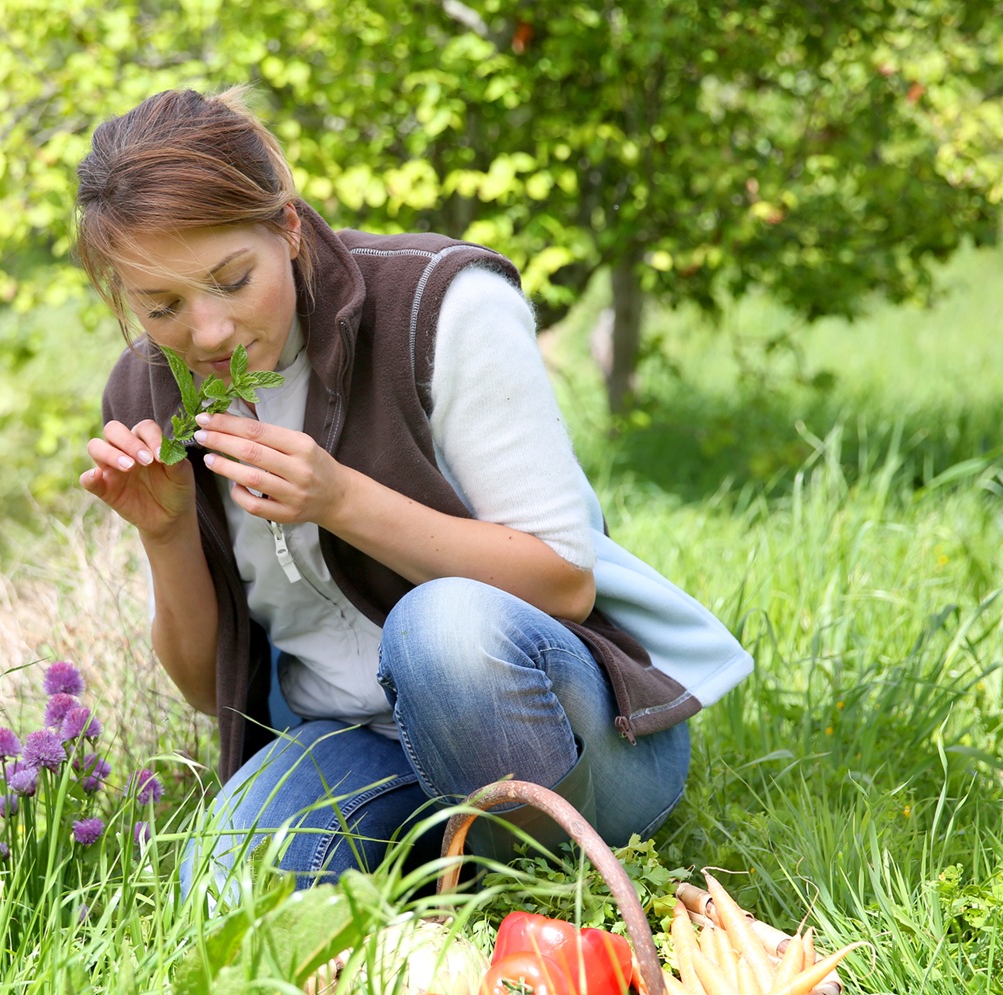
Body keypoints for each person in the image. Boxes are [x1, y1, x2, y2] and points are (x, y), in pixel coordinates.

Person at [72, 88, 752, 895]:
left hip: (564, 734)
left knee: (442, 627)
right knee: (221, 895)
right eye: (163, 306)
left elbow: (561, 582)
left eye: (232, 279)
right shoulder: (149, 391)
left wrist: (337, 500)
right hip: (352, 739)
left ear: (287, 227)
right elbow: (200, 685)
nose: (208, 332)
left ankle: (538, 883)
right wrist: (167, 532)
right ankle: (436, 875)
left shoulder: (441, 305)